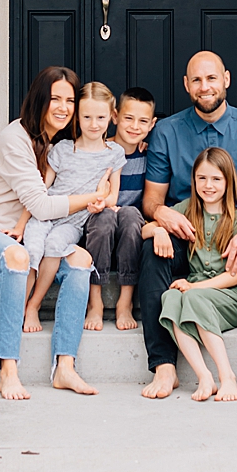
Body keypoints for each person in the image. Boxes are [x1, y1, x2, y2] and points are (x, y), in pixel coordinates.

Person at [138, 50, 237, 401]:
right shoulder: (167, 131)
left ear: (226, 79)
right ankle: (164, 365)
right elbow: (151, 201)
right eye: (196, 80)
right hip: (187, 233)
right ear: (186, 85)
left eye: (211, 78)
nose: (204, 87)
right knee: (151, 252)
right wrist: (163, 216)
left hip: (236, 234)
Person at [0, 66, 109, 400]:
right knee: (17, 256)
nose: (64, 107)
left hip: (30, 233)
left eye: (70, 100)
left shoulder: (63, 143)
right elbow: (40, 205)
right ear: (39, 99)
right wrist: (93, 198)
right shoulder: (15, 139)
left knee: (81, 260)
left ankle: (65, 366)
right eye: (55, 99)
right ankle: (8, 369)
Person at [19, 81, 127, 333]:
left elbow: (113, 196)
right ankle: (19, 308)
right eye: (86, 117)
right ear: (77, 117)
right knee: (32, 250)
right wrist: (22, 223)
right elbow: (41, 190)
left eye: (100, 117)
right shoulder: (63, 149)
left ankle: (34, 305)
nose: (94, 124)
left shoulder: (114, 153)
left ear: (111, 117)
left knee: (54, 246)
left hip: (73, 222)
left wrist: (102, 201)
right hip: (46, 214)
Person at [147, 147, 237, 402]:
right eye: (202, 178)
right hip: (196, 291)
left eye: (216, 179)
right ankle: (204, 375)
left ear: (228, 181)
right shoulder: (188, 209)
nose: (209, 185)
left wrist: (195, 288)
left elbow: (234, 277)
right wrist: (159, 231)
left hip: (228, 295)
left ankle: (227, 377)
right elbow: (143, 230)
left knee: (191, 298)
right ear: (194, 180)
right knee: (170, 298)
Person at [83, 86, 157, 332]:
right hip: (98, 230)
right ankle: (95, 302)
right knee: (104, 217)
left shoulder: (149, 156)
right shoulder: (99, 151)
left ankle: (125, 302)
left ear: (151, 124)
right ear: (115, 117)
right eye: (128, 118)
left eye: (143, 121)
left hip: (130, 233)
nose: (135, 126)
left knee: (129, 213)